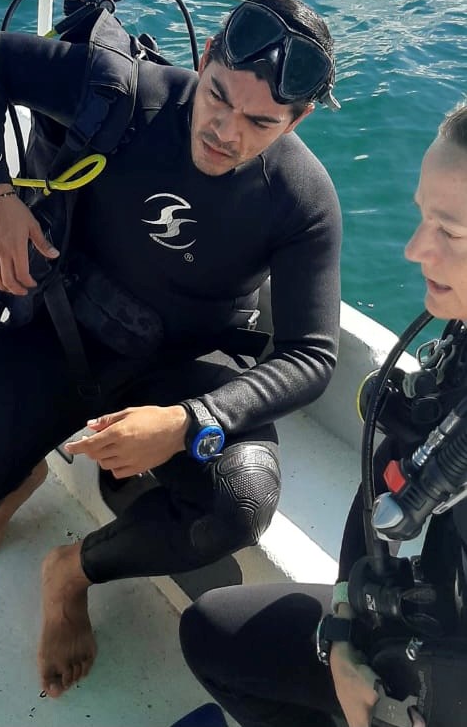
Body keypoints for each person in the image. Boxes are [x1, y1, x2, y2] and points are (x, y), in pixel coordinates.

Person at [0, 0, 342, 698]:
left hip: (175, 374)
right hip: (62, 332)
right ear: (205, 56)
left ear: (298, 119)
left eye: (260, 122)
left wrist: (188, 422)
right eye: (218, 96)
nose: (226, 130)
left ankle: (70, 573)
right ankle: (22, 472)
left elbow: (312, 353)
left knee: (239, 504)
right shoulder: (133, 94)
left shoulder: (302, 198)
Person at [179, 101, 467, 727]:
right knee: (210, 632)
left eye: (450, 233)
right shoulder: (461, 351)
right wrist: (342, 633)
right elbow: (379, 484)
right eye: (423, 218)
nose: (417, 249)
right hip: (417, 637)